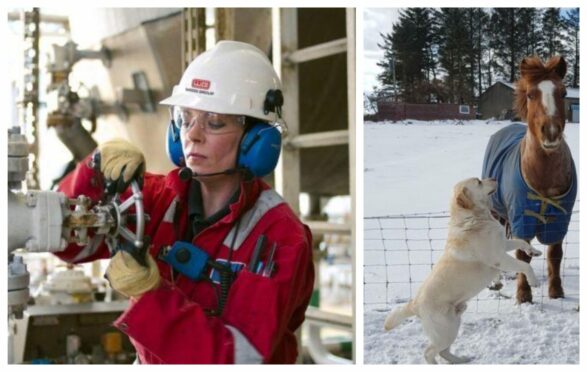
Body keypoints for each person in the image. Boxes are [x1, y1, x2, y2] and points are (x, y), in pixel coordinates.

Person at [56, 41, 315, 364]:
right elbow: (66, 242)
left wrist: (151, 297)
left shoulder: (280, 237)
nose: (192, 135)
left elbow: (239, 359)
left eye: (214, 122)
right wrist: (93, 173)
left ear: (255, 139)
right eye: (185, 118)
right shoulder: (154, 199)